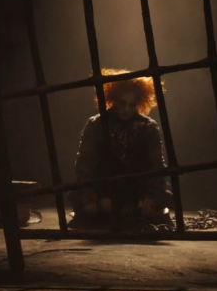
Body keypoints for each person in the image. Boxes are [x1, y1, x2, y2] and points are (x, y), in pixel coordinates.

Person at [67, 68, 174, 229]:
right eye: (123, 103)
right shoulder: (96, 124)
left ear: (138, 104)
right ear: (114, 100)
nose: (126, 109)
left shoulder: (148, 127)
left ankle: (123, 212)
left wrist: (149, 198)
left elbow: (157, 166)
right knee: (79, 199)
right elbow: (84, 164)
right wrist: (93, 196)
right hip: (104, 189)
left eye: (131, 105)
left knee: (165, 198)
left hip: (135, 192)